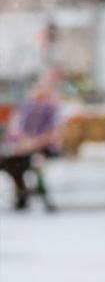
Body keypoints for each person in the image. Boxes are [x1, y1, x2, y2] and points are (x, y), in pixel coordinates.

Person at [1, 83, 60, 212]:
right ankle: (21, 193)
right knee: (8, 162)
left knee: (33, 161)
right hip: (22, 148)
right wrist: (20, 142)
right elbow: (15, 130)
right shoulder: (25, 108)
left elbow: (53, 133)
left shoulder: (52, 110)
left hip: (43, 148)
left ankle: (35, 195)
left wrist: (33, 143)